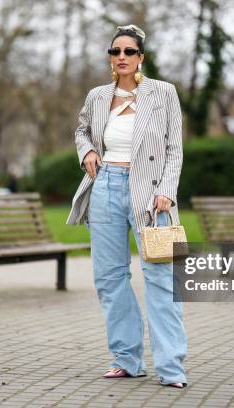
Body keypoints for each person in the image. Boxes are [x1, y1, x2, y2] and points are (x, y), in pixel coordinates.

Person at [65, 24, 187, 388]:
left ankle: (171, 367)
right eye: (115, 51)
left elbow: (174, 148)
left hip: (150, 196)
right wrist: (86, 150)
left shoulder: (163, 93)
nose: (121, 57)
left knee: (160, 280)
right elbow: (82, 130)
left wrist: (166, 190)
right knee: (109, 279)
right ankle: (126, 358)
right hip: (104, 189)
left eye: (129, 52)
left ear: (141, 58)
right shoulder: (98, 96)